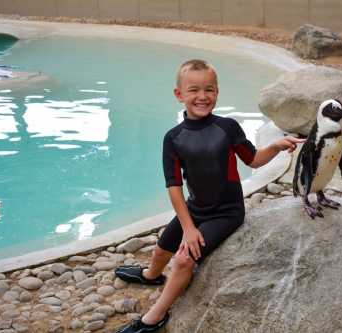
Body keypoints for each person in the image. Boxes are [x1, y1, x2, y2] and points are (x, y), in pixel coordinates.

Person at [115, 59, 304, 333]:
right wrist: (188, 227)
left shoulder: (227, 127)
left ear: (217, 92)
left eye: (209, 89)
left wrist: (274, 146)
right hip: (195, 209)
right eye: (193, 90)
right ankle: (150, 275)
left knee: (182, 260)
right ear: (179, 95)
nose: (202, 96)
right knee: (161, 249)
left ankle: (155, 317)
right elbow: (174, 186)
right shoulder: (173, 137)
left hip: (226, 212)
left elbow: (253, 160)